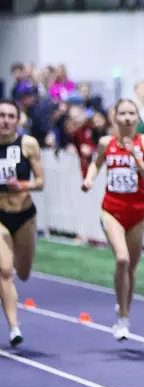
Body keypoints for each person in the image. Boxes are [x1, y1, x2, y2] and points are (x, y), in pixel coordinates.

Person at [81, 99, 144, 341]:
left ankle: (123, 306)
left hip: (137, 212)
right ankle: (122, 318)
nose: (127, 118)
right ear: (115, 117)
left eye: (131, 113)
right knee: (122, 259)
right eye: (122, 113)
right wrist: (89, 179)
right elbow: (95, 165)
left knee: (131, 269)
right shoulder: (107, 143)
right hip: (111, 210)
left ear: (137, 118)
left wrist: (136, 157)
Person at [0, 98, 44, 347]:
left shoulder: (28, 144)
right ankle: (14, 327)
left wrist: (23, 185)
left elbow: (41, 182)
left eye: (10, 116)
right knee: (4, 270)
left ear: (17, 120)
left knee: (24, 273)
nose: (5, 120)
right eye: (1, 115)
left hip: (25, 214)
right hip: (0, 216)